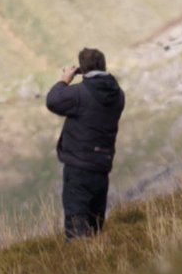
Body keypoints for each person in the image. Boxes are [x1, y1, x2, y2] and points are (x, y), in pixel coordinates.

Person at [45, 47, 125, 240]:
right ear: (104, 65)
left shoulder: (79, 94)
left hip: (79, 168)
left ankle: (80, 266)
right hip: (102, 166)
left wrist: (65, 80)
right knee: (95, 226)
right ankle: (98, 262)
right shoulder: (118, 94)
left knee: (76, 227)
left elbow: (53, 101)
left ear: (82, 69)